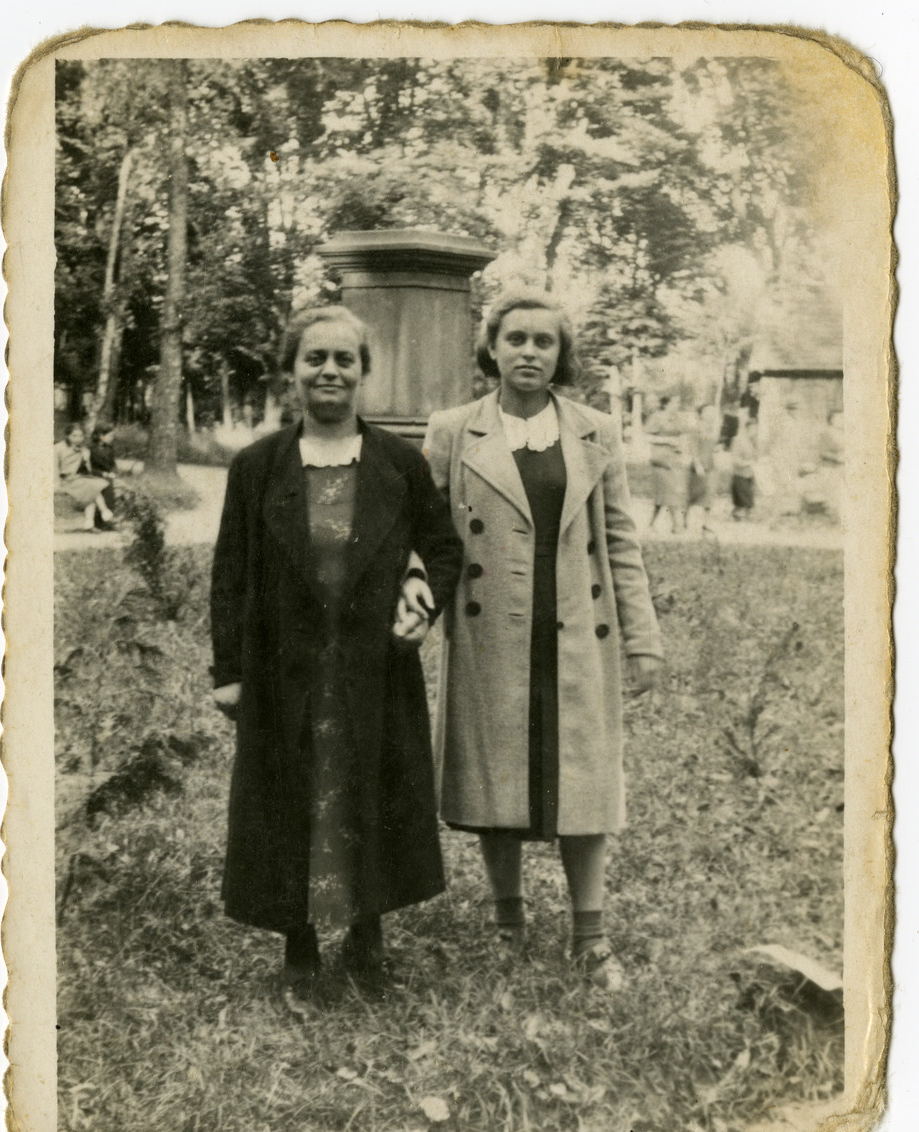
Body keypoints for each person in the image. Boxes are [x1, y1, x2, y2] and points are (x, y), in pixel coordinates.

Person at [210, 306, 462, 994]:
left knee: (368, 790)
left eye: (344, 360)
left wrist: (420, 595)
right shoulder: (258, 466)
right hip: (282, 669)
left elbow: (442, 549)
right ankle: (298, 940)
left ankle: (366, 933)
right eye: (314, 358)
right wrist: (229, 671)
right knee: (294, 797)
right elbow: (230, 572)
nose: (329, 371)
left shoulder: (399, 466)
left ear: (363, 374)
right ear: (291, 372)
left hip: (372, 670)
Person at [420, 289, 662, 989]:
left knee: (584, 778)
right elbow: (431, 541)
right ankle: (507, 921)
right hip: (490, 630)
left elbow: (619, 541)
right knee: (498, 774)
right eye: (516, 339)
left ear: (562, 355)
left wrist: (643, 639)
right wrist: (407, 618)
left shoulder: (595, 431)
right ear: (491, 347)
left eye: (544, 342)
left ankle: (592, 936)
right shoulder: (453, 430)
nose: (529, 352)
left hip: (577, 631)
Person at [53, 422, 115, 532]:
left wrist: (86, 460)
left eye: (80, 436)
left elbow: (88, 470)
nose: (77, 439)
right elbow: (54, 468)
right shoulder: (58, 448)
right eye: (74, 436)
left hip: (79, 478)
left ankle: (90, 523)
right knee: (92, 487)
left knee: (94, 486)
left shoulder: (84, 450)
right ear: (67, 435)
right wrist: (56, 483)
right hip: (66, 480)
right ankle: (104, 511)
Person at [645, 394, 688, 534]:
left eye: (678, 403)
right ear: (666, 404)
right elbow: (647, 436)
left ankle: (651, 524)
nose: (677, 405)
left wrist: (681, 447)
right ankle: (677, 526)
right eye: (675, 403)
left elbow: (681, 435)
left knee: (665, 494)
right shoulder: (657, 417)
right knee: (669, 492)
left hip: (674, 459)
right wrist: (667, 441)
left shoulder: (678, 418)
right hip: (661, 459)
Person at [685, 403, 719, 534]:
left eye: (712, 412)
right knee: (693, 494)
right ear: (701, 414)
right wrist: (697, 464)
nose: (710, 414)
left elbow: (711, 446)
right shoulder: (696, 428)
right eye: (707, 412)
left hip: (710, 465)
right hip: (698, 466)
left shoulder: (712, 429)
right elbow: (693, 447)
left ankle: (706, 523)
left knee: (710, 494)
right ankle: (684, 520)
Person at [89, 423, 119, 529]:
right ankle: (102, 521)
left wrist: (113, 472)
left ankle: (107, 519)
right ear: (101, 436)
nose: (112, 438)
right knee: (105, 486)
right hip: (93, 475)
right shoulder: (90, 449)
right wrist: (103, 474)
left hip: (107, 476)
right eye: (110, 436)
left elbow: (113, 464)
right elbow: (88, 468)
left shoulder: (110, 449)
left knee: (110, 484)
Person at [730, 415, 758, 520]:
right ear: (747, 428)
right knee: (743, 499)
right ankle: (740, 515)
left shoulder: (754, 441)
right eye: (753, 428)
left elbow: (756, 457)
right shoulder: (738, 440)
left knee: (748, 497)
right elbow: (734, 459)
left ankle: (742, 514)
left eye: (756, 429)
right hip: (740, 474)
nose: (755, 431)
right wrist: (747, 463)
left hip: (750, 474)